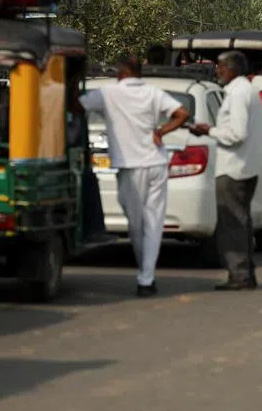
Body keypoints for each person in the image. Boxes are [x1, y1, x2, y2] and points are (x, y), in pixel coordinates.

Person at [78, 54, 190, 297]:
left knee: (136, 224)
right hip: (156, 162)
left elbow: (78, 105)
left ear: (121, 72)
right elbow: (182, 113)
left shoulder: (108, 93)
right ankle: (145, 275)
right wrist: (162, 131)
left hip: (130, 166)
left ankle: (146, 277)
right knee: (153, 223)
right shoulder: (153, 93)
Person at [190, 50, 262, 291]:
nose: (217, 71)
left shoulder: (239, 93)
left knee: (232, 224)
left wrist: (208, 131)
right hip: (243, 166)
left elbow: (237, 134)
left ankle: (239, 275)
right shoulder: (244, 90)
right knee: (240, 222)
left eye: (221, 66)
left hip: (234, 168)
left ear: (232, 68)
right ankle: (245, 274)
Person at [66, 70, 114, 245]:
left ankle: (93, 230)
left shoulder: (79, 101)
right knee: (87, 180)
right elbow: (70, 137)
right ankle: (93, 230)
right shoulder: (66, 103)